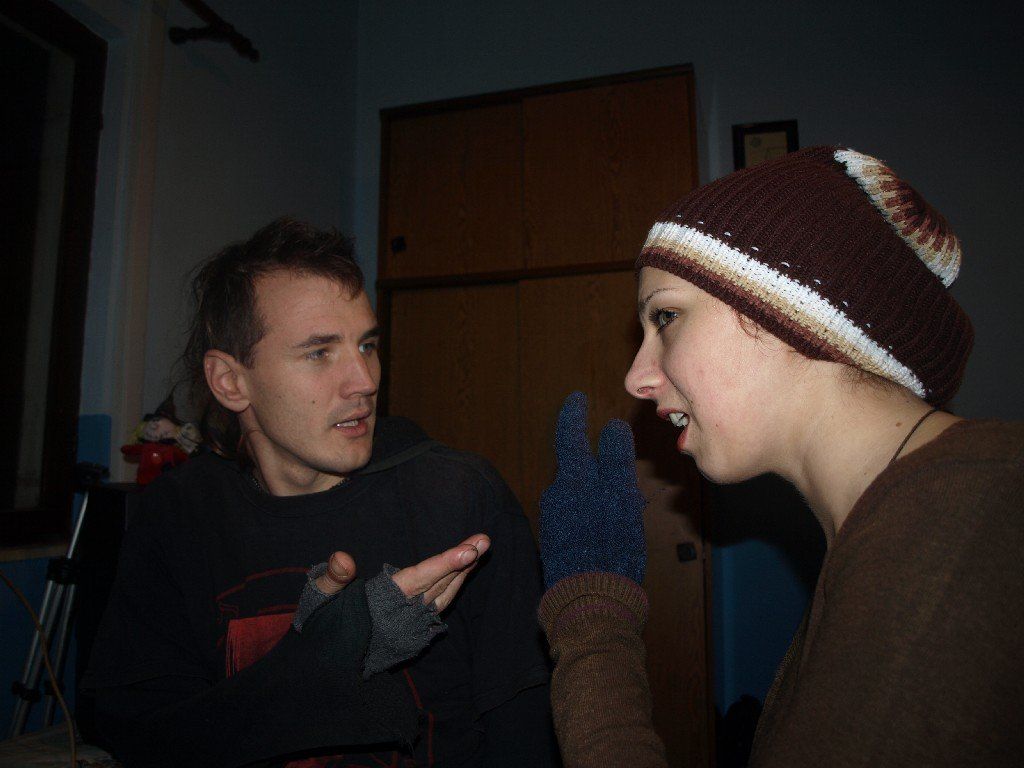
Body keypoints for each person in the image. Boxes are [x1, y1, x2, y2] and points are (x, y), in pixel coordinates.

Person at [537, 146, 1024, 767]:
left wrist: (591, 620)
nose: (637, 378)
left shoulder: (963, 555)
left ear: (792, 312)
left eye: (667, 316)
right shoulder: (906, 530)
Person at [84, 218, 557, 767]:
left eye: (367, 345)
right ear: (231, 382)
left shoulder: (458, 497)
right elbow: (143, 734)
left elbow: (524, 725)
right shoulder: (179, 517)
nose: (365, 382)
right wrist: (314, 670)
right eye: (319, 352)